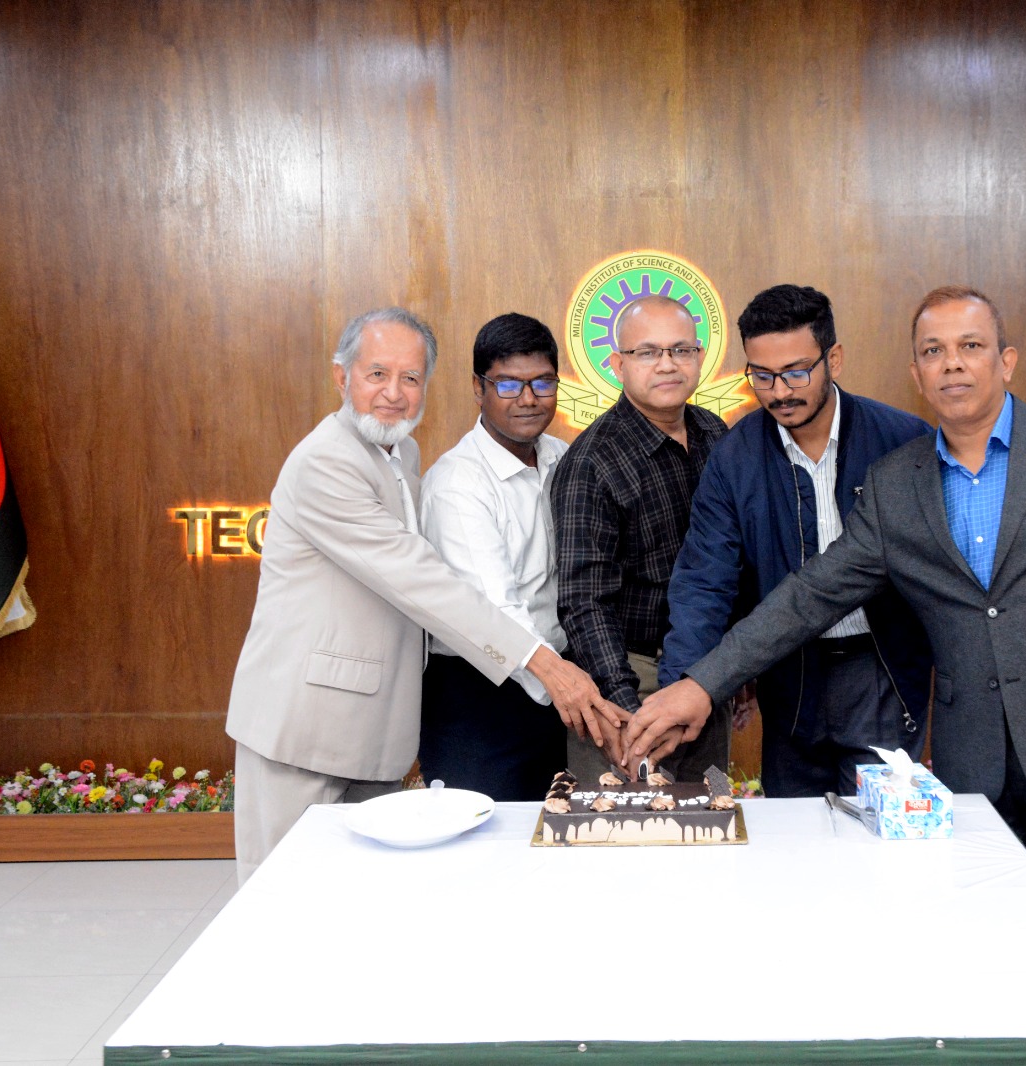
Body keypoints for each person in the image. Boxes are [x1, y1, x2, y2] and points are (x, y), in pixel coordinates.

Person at [628, 286, 1026, 980]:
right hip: (969, 759)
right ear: (916, 373)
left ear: (1006, 360)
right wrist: (699, 684)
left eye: (970, 347)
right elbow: (807, 596)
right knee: (976, 955)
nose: (953, 365)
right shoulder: (897, 482)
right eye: (933, 352)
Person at [226, 308, 622, 882]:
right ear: (341, 377)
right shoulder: (325, 462)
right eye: (377, 374)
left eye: (410, 378)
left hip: (374, 721)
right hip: (304, 722)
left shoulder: (400, 452)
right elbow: (421, 580)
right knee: (284, 894)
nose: (394, 393)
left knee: (367, 899)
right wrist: (545, 663)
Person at [660, 284, 933, 798]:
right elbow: (704, 582)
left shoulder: (903, 441)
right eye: (762, 376)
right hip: (788, 673)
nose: (780, 392)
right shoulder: (735, 457)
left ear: (835, 359)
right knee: (794, 831)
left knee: (877, 830)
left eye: (796, 372)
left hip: (883, 671)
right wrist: (682, 687)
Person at [550, 294, 729, 781]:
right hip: (631, 679)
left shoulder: (715, 433)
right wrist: (625, 712)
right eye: (648, 352)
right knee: (625, 823)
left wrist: (731, 671)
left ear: (699, 357)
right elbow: (585, 601)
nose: (667, 364)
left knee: (705, 817)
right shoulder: (592, 462)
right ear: (617, 365)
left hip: (705, 674)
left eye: (681, 350)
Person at [418, 313, 571, 800]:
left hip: (555, 686)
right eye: (508, 384)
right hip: (480, 699)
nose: (528, 399)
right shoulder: (457, 483)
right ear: (478, 388)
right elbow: (493, 612)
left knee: (554, 835)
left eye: (542, 382)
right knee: (485, 837)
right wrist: (567, 686)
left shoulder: (564, 458)